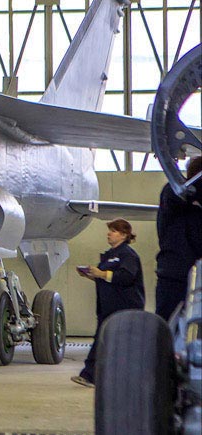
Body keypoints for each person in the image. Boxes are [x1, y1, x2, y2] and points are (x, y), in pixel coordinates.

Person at [71, 218, 145, 388]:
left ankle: (99, 376)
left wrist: (101, 274)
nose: (109, 234)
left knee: (121, 343)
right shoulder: (110, 255)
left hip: (124, 307)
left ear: (124, 235)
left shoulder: (127, 255)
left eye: (113, 231)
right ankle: (90, 376)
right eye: (110, 230)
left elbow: (126, 277)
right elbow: (108, 279)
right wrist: (92, 276)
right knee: (101, 341)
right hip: (107, 307)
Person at [155, 156, 202, 321]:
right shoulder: (174, 193)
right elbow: (177, 195)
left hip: (175, 274)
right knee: (170, 323)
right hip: (176, 276)